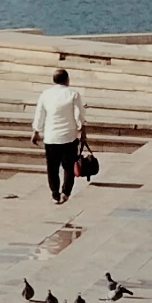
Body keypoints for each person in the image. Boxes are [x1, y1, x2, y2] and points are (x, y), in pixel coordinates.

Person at [33, 60, 89, 200]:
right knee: (68, 167)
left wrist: (36, 131)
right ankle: (66, 192)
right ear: (67, 80)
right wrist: (83, 132)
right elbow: (79, 116)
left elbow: (40, 114)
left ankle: (54, 193)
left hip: (51, 137)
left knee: (52, 167)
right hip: (69, 137)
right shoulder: (73, 94)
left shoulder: (45, 94)